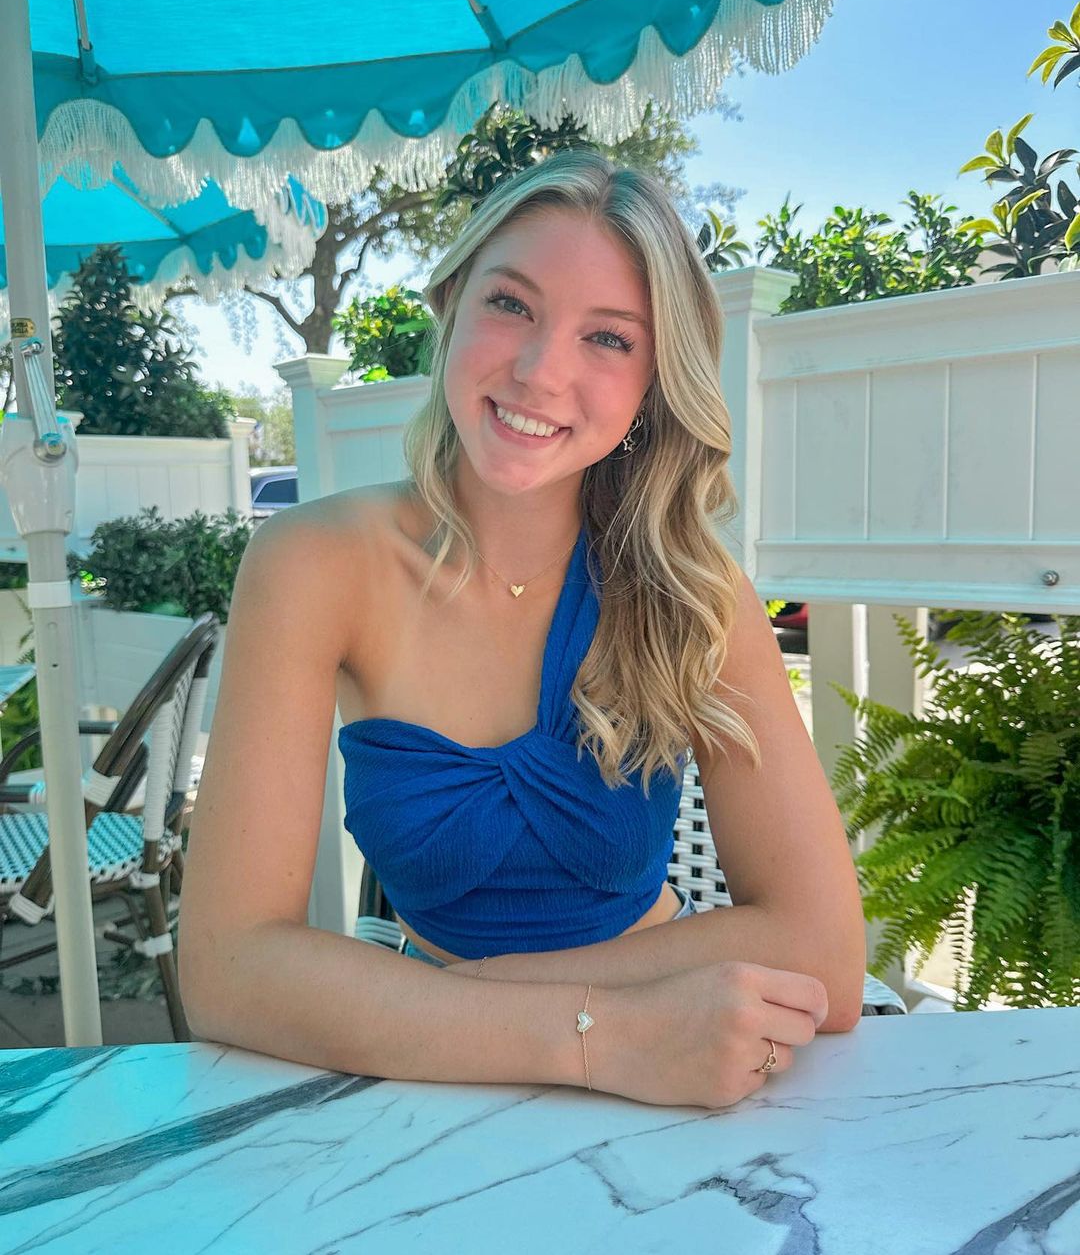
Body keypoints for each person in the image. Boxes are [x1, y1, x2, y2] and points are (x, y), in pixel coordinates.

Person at [179, 149, 867, 1110]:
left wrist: (455, 1004)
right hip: (463, 1077)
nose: (542, 371)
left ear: (653, 382)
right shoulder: (313, 564)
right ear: (452, 308)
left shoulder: (694, 594)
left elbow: (824, 953)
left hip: (648, 1059)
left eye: (609, 338)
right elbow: (228, 967)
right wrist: (598, 1035)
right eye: (511, 304)